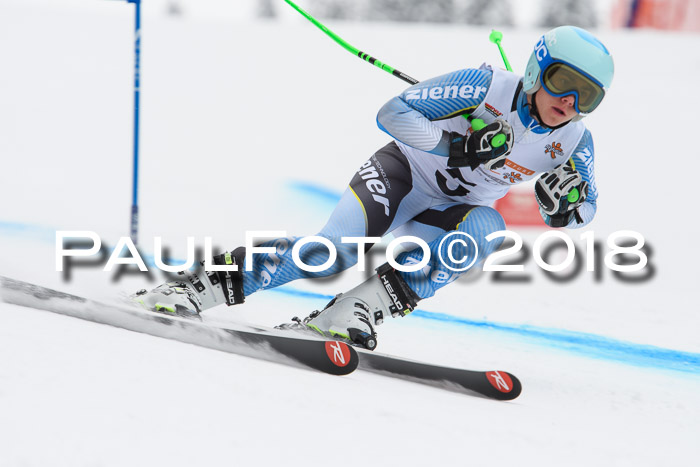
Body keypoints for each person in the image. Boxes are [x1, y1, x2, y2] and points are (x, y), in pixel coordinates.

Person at [133, 25, 614, 350]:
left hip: (451, 210)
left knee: (489, 229)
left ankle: (353, 311)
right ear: (536, 69)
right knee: (333, 252)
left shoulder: (575, 139)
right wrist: (456, 147)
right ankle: (198, 286)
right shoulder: (483, 86)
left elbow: (585, 207)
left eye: (586, 95)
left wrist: (566, 207)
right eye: (562, 82)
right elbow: (392, 113)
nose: (570, 102)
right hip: (403, 175)